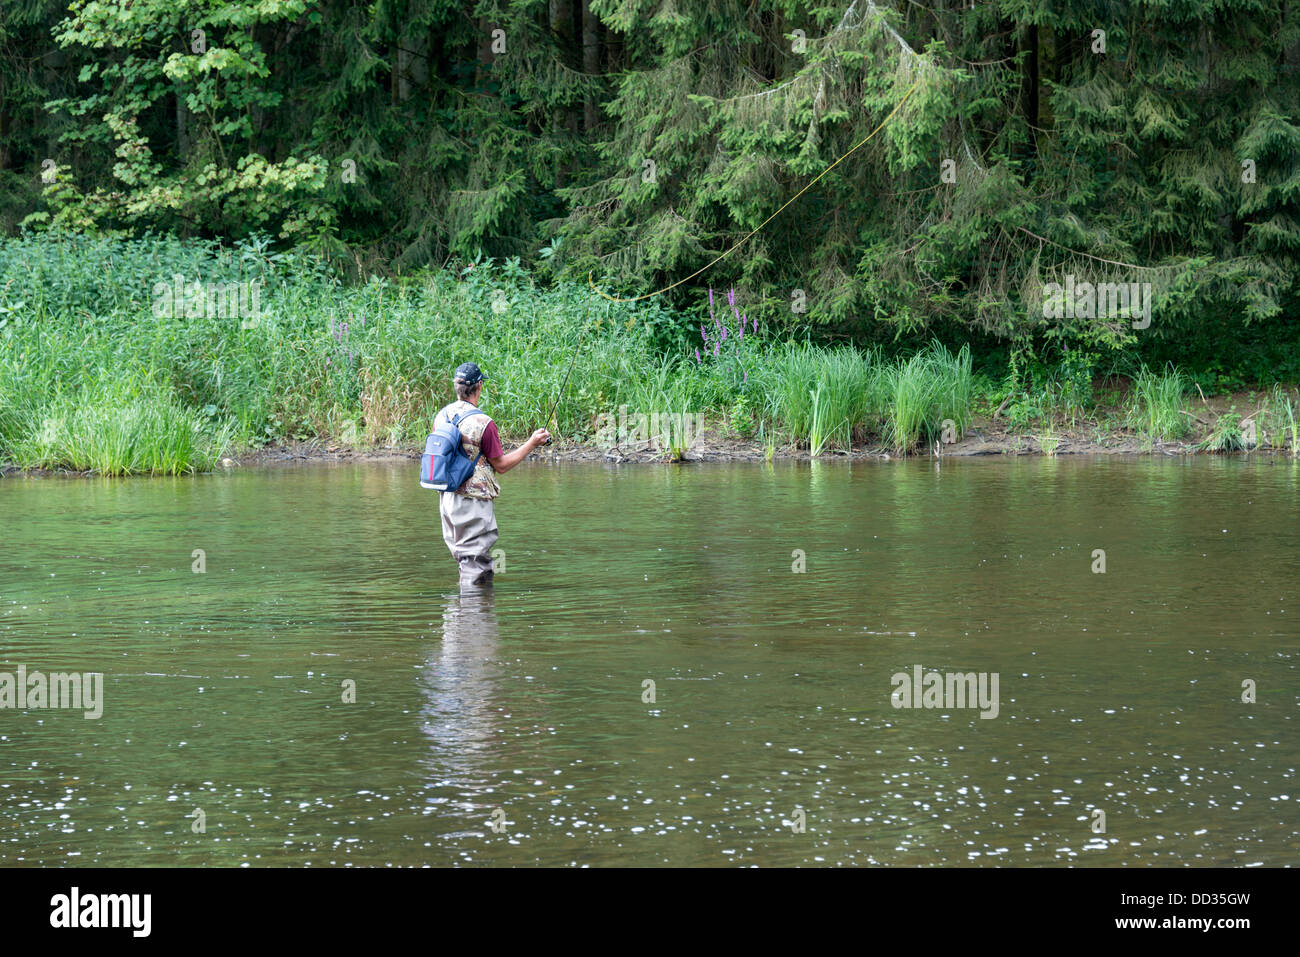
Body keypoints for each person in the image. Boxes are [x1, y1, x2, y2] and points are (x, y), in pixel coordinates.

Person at [435, 362, 549, 588]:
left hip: (447, 499)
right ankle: (475, 617)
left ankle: (460, 618)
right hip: (473, 502)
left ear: (457, 387)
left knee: (465, 561)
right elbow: (502, 465)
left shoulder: (441, 415)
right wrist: (532, 443)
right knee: (476, 564)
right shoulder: (484, 423)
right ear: (479, 386)